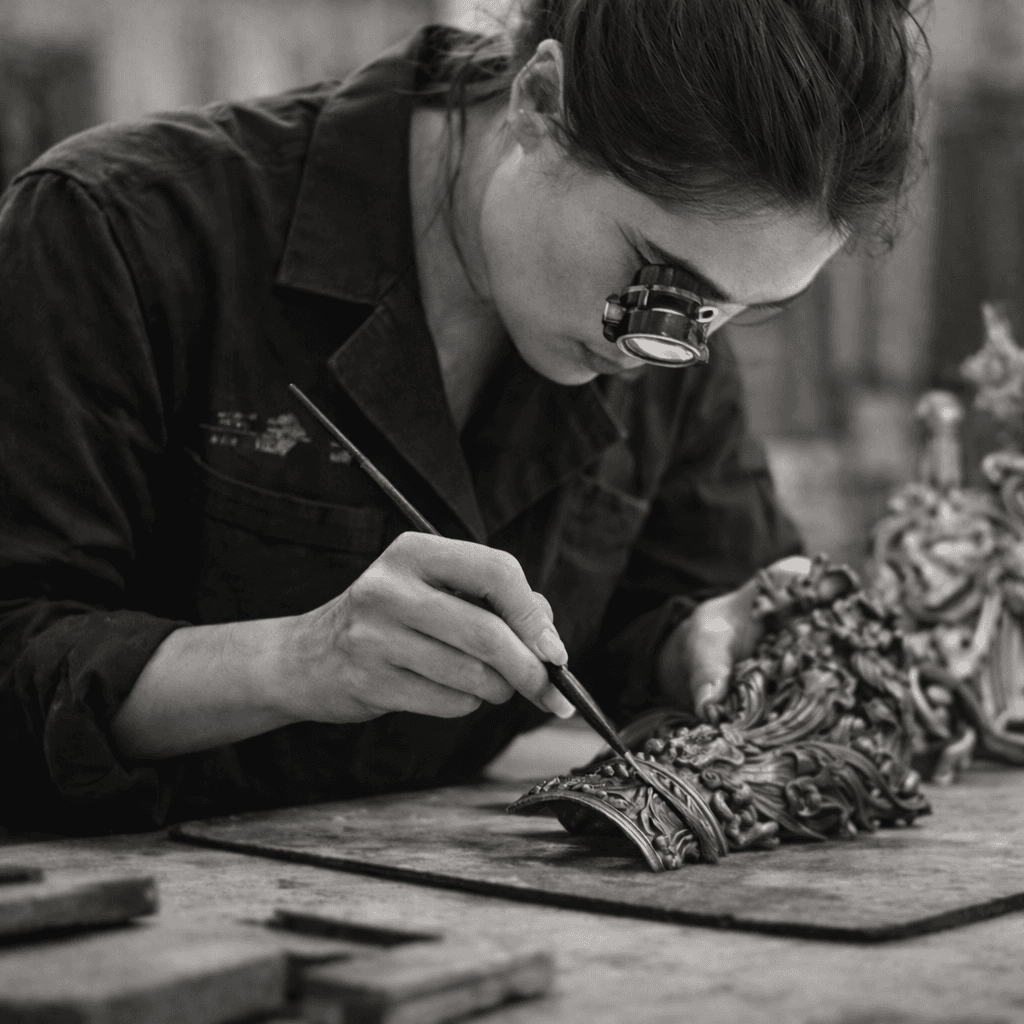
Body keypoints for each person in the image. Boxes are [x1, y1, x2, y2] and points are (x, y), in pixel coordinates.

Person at [0, 0, 927, 833]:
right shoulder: (117, 231)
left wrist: (695, 645)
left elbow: (644, 623)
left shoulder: (667, 341)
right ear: (541, 103)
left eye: (732, 312)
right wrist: (296, 658)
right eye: (662, 279)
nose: (666, 351)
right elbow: (16, 648)